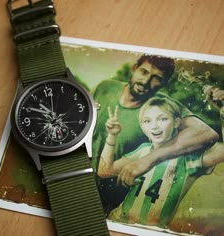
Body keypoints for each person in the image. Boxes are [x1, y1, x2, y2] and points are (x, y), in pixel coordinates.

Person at [91, 54, 218, 212]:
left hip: (111, 205)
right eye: (143, 72)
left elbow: (206, 133)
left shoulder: (159, 106)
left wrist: (148, 160)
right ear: (134, 68)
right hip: (75, 182)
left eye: (156, 78)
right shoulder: (105, 87)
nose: (145, 82)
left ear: (164, 83)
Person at [98, 94, 224, 228]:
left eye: (162, 119)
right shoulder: (143, 151)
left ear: (176, 122)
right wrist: (112, 136)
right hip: (118, 223)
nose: (154, 126)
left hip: (153, 231)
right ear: (142, 126)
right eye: (147, 121)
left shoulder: (189, 159)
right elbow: (104, 171)